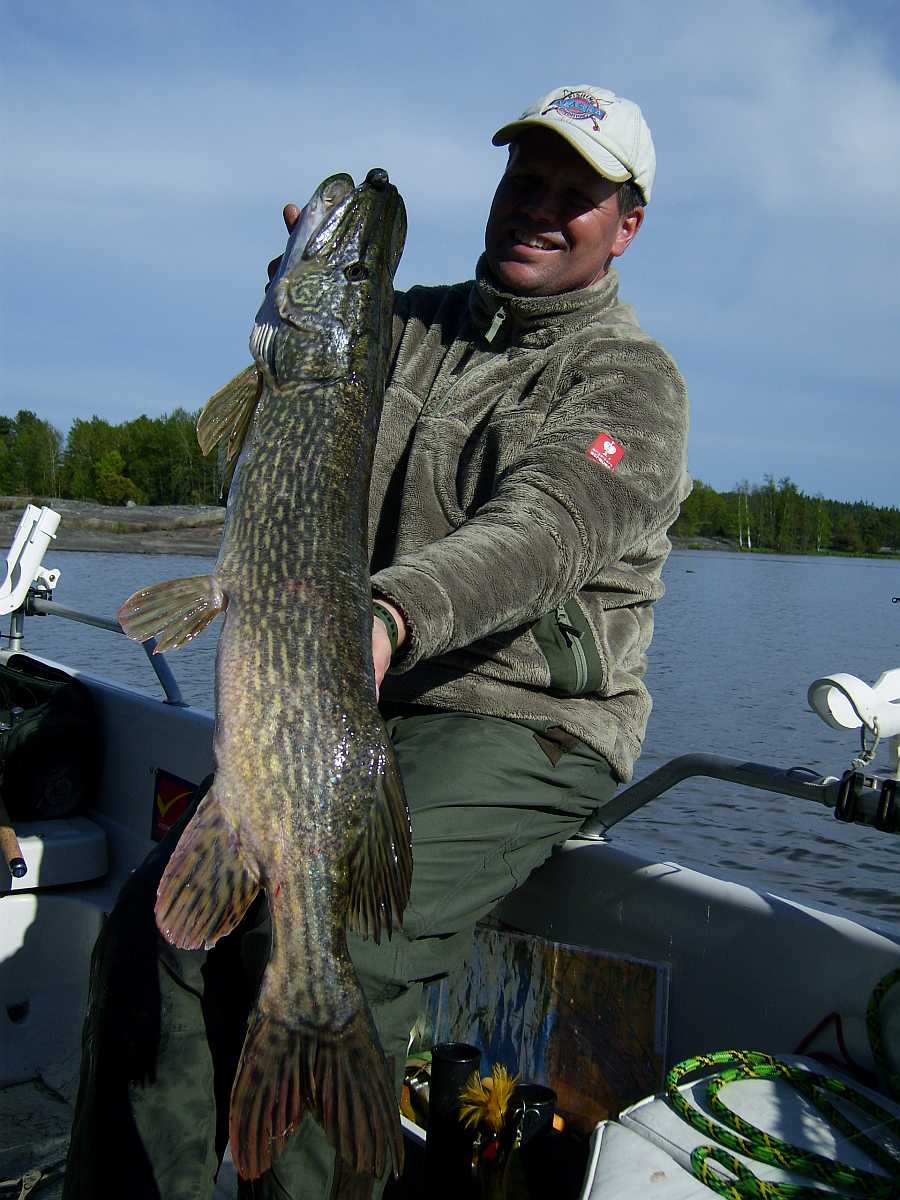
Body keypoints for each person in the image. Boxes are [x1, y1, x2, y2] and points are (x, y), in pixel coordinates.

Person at [63, 85, 690, 1200]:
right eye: (525, 180)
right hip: (342, 696)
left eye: (575, 196)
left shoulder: (629, 383)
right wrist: (292, 289)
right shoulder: (402, 326)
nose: (539, 208)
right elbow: (283, 413)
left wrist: (391, 614)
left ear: (624, 225)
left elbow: (542, 535)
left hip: (521, 720)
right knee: (157, 936)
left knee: (335, 949)